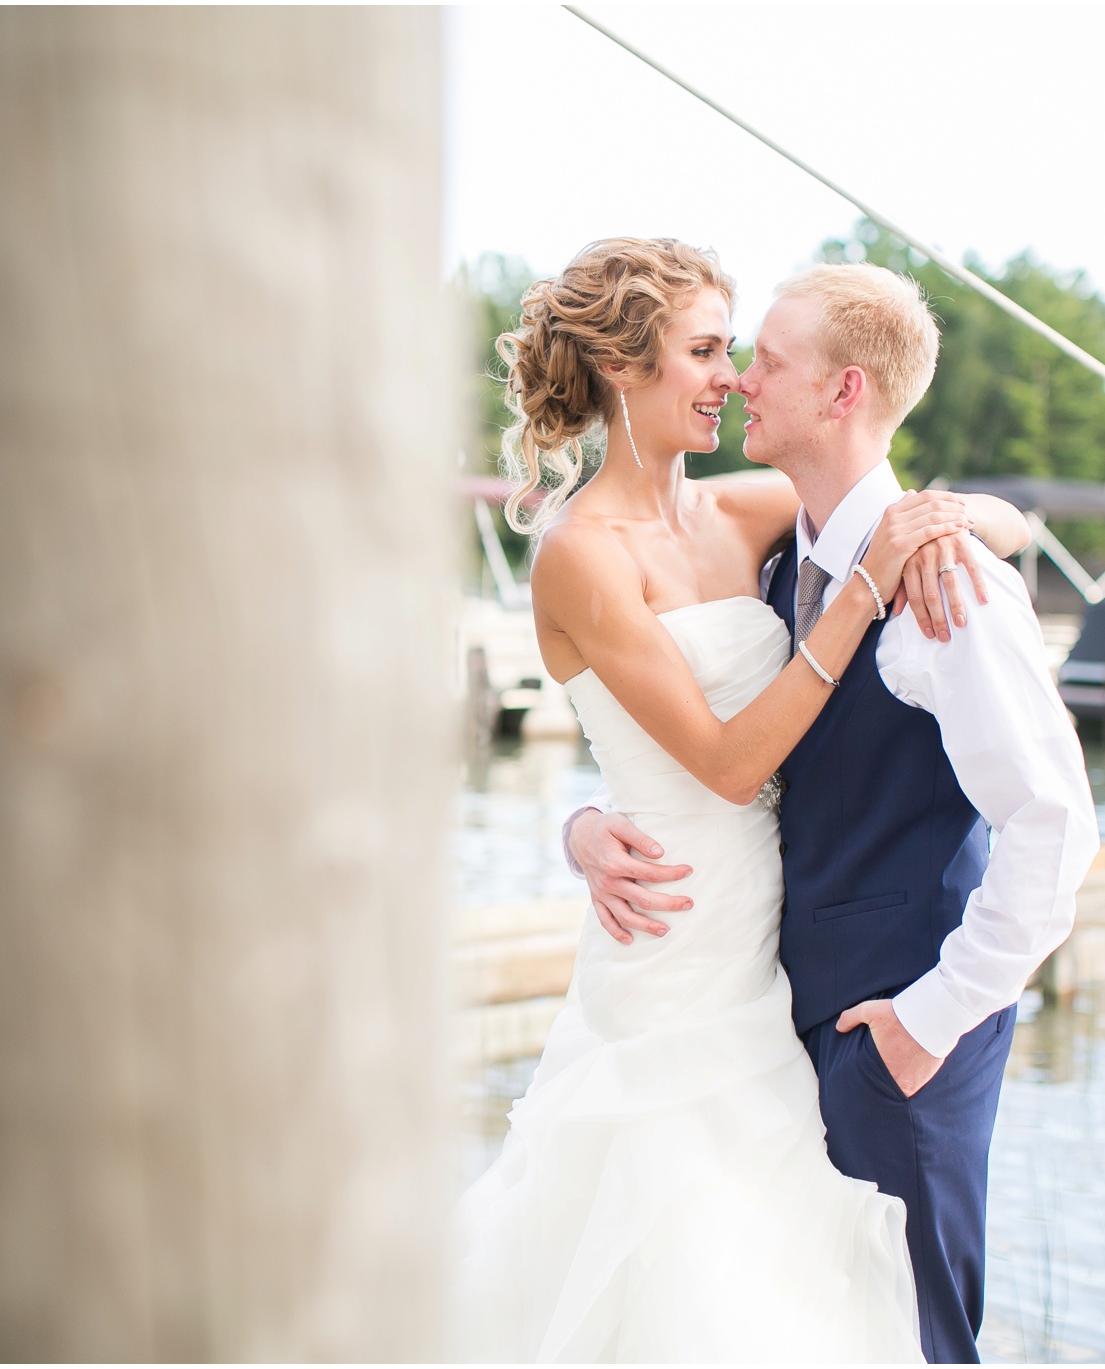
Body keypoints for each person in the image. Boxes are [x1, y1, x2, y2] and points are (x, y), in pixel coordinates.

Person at [450, 237, 1053, 1363]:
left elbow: (932, 508)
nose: (728, 376)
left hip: (776, 952)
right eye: (705, 350)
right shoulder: (579, 553)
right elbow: (724, 765)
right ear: (625, 368)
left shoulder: (743, 511)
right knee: (675, 1242)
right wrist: (862, 591)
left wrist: (952, 523)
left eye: (737, 351)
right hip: (672, 939)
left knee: (779, 1254)